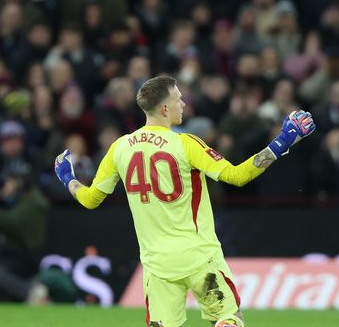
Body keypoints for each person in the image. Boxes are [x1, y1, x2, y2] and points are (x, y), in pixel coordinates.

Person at [52, 75, 315, 327]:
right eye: (179, 99)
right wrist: (282, 142)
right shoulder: (184, 144)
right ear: (165, 108)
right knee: (229, 317)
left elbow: (90, 200)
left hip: (157, 265)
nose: (184, 104)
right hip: (199, 256)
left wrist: (68, 178)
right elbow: (237, 176)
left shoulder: (120, 148)